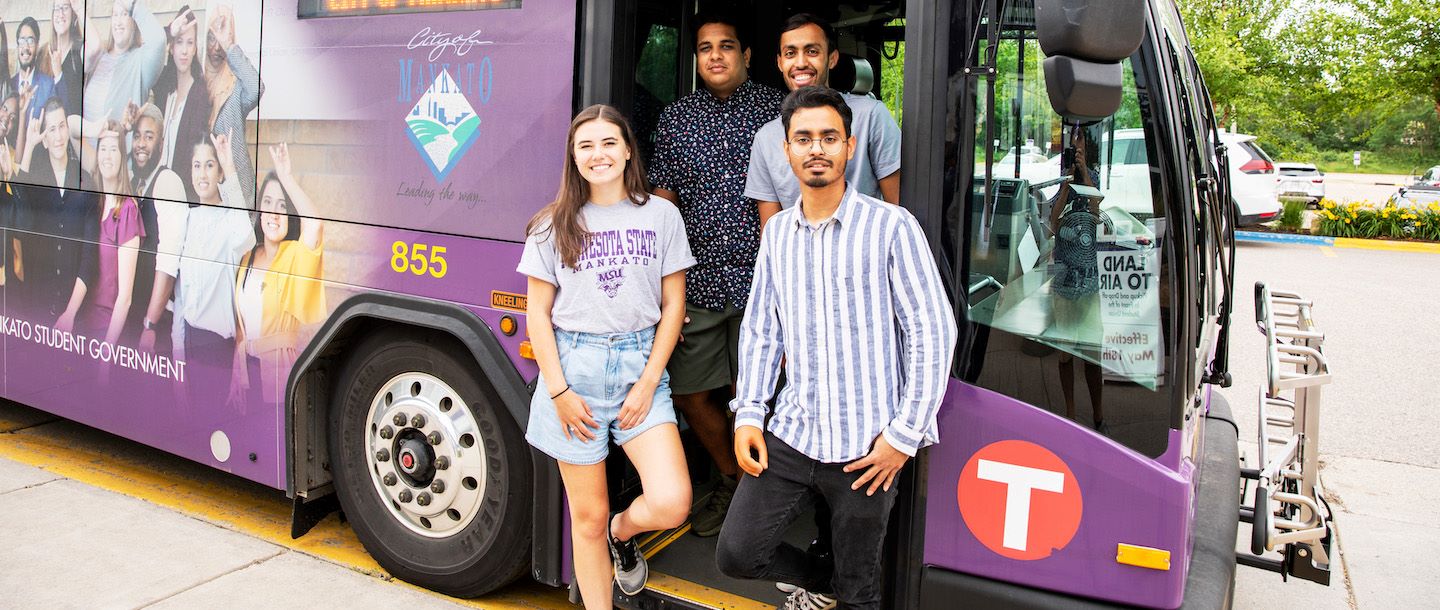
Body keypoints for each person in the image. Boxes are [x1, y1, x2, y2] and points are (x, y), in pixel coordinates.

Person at [715, 87, 957, 610]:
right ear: (787, 150)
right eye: (803, 138)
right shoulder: (777, 233)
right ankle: (818, 578)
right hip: (794, 433)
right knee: (737, 554)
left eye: (829, 137)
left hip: (868, 447)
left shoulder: (892, 227)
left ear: (849, 147)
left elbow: (932, 332)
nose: (816, 148)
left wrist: (903, 435)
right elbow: (761, 329)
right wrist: (749, 415)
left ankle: (839, 587)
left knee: (859, 590)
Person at [519, 105, 693, 608]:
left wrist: (648, 381)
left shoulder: (660, 215)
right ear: (574, 158)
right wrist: (559, 392)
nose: (599, 155)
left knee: (671, 501)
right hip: (575, 371)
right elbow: (538, 317)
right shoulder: (552, 225)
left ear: (628, 150)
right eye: (586, 146)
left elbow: (673, 304)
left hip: (642, 368)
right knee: (586, 518)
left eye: (609, 143)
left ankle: (625, 530)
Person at [646, 10, 784, 538]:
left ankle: (769, 498)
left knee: (767, 395)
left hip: (763, 286)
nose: (716, 56)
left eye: (727, 45)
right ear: (697, 59)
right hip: (697, 284)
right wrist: (658, 291)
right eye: (706, 48)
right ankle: (732, 480)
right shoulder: (677, 119)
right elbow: (663, 206)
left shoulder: (778, 112)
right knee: (690, 394)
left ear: (747, 55)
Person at [746, 14, 902, 229]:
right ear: (780, 63)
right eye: (790, 53)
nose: (800, 63)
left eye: (812, 51)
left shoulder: (871, 116)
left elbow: (900, 211)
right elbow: (771, 230)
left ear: (832, 58)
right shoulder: (766, 138)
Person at [230, 143, 325, 407]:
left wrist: (286, 178)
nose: (273, 213)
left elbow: (315, 224)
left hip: (277, 372)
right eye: (268, 203)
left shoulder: (295, 254)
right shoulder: (247, 258)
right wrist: (235, 377)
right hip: (246, 371)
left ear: (290, 214)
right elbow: (241, 329)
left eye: (282, 206)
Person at [172, 131, 254, 409]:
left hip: (216, 345)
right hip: (190, 336)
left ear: (219, 174)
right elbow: (182, 293)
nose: (203, 173)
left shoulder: (230, 220)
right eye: (197, 165)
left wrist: (229, 163)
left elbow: (246, 236)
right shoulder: (188, 217)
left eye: (210, 165)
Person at [1046, 124, 1109, 433]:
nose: (1077, 148)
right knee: (1064, 355)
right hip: (1064, 280)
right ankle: (1070, 411)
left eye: (1082, 143)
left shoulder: (1092, 178)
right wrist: (1069, 183)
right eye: (1073, 144)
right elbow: (1053, 223)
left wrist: (1084, 174)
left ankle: (1098, 415)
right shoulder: (1064, 181)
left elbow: (1096, 212)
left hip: (1088, 282)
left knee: (1092, 354)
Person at [13, 98, 97, 324]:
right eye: (51, 129)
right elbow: (19, 227)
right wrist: (29, 147)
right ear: (45, 140)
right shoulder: (36, 181)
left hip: (74, 316)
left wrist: (69, 314)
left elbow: (89, 257)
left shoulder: (85, 182)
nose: (59, 136)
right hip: (36, 312)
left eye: (62, 126)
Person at [127, 103, 189, 355]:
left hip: (153, 325)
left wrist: (150, 324)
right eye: (137, 136)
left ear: (161, 144)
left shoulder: (167, 182)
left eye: (149, 136)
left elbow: (169, 262)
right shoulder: (135, 182)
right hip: (132, 314)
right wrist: (122, 126)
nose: (141, 143)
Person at [84, 125, 144, 345]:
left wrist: (106, 355)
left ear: (122, 156)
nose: (107, 156)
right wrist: (98, 125)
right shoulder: (94, 203)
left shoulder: (127, 210)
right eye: (102, 148)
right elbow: (74, 134)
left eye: (113, 149)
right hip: (82, 323)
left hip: (106, 331)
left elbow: (125, 298)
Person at [80, 0, 167, 146]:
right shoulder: (100, 57)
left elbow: (158, 40)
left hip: (118, 161)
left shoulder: (141, 62)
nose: (118, 22)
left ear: (134, 20)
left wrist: (133, 6)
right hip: (88, 159)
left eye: (125, 14)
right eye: (115, 15)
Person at [149, 6, 210, 202]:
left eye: (189, 43)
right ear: (171, 47)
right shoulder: (164, 86)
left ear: (195, 49)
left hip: (181, 197)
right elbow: (148, 52)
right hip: (155, 189)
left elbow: (194, 156)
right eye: (179, 42)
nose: (184, 50)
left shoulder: (200, 94)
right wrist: (169, 32)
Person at [206, 3, 263, 205]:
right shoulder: (195, 86)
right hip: (205, 198)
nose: (216, 46)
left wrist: (229, 45)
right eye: (211, 37)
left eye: (221, 37)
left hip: (240, 197)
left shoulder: (234, 87)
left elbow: (256, 88)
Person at [40, 0, 84, 117]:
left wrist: (59, 74)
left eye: (65, 7)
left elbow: (96, 48)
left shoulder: (80, 51)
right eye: (57, 8)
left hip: (71, 129)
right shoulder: (43, 53)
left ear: (72, 13)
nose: (60, 13)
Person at [11, 17, 57, 120]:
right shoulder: (9, 85)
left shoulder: (48, 86)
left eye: (30, 41)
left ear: (37, 46)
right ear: (17, 47)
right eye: (22, 40)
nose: (26, 47)